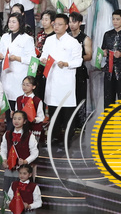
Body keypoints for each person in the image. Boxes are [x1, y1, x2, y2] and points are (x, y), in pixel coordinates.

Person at [40, 13, 83, 147]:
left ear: (66, 26)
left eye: (60, 24)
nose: (56, 27)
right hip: (52, 79)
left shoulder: (73, 42)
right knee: (53, 110)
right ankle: (54, 136)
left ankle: (67, 139)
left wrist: (66, 63)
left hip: (66, 80)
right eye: (55, 24)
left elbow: (78, 61)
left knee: (66, 111)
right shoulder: (49, 40)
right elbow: (44, 55)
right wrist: (43, 59)